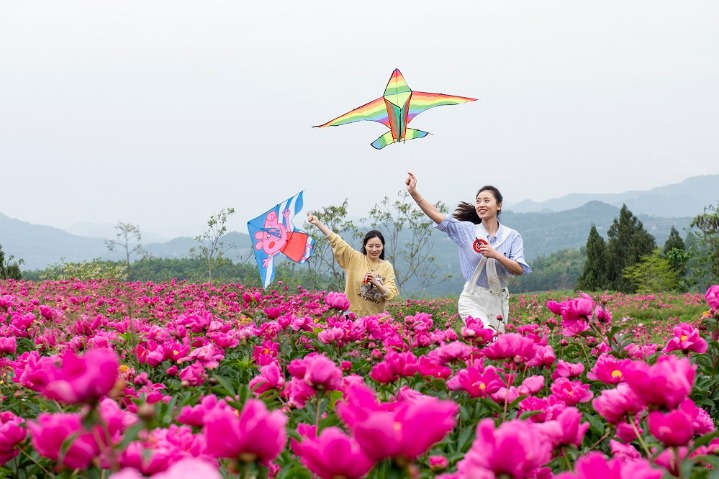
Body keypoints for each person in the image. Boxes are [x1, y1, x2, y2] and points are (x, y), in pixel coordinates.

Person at [405, 171, 531, 332]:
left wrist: (496, 255)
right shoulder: (467, 231)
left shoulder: (512, 236)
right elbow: (437, 216)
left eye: (487, 200)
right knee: (488, 336)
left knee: (496, 347)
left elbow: (519, 269)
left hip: (498, 300)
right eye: (478, 201)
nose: (481, 204)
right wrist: (414, 192)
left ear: (499, 205)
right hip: (472, 298)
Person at [307, 213, 399, 317]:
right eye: (370, 246)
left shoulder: (387, 266)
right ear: (365, 246)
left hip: (374, 321)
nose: (374, 249)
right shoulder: (354, 258)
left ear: (382, 246)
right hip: (351, 316)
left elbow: (391, 294)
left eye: (378, 246)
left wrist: (377, 283)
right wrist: (318, 223)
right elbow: (337, 241)